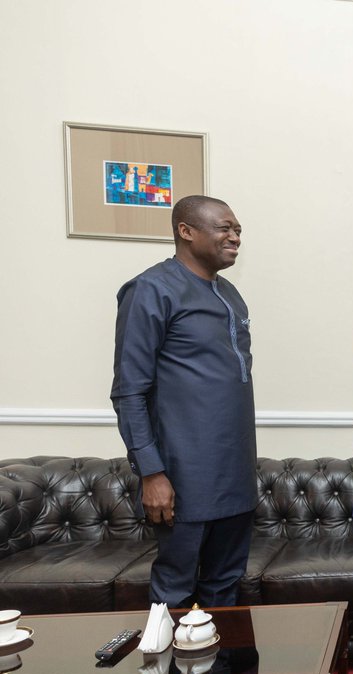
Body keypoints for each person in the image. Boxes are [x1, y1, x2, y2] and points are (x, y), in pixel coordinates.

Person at [111, 195, 256, 610]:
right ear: (186, 231)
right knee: (175, 589)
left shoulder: (229, 293)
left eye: (238, 230)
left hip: (235, 473)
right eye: (224, 228)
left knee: (226, 585)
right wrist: (152, 473)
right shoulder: (150, 290)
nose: (235, 237)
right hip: (182, 475)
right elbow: (129, 392)